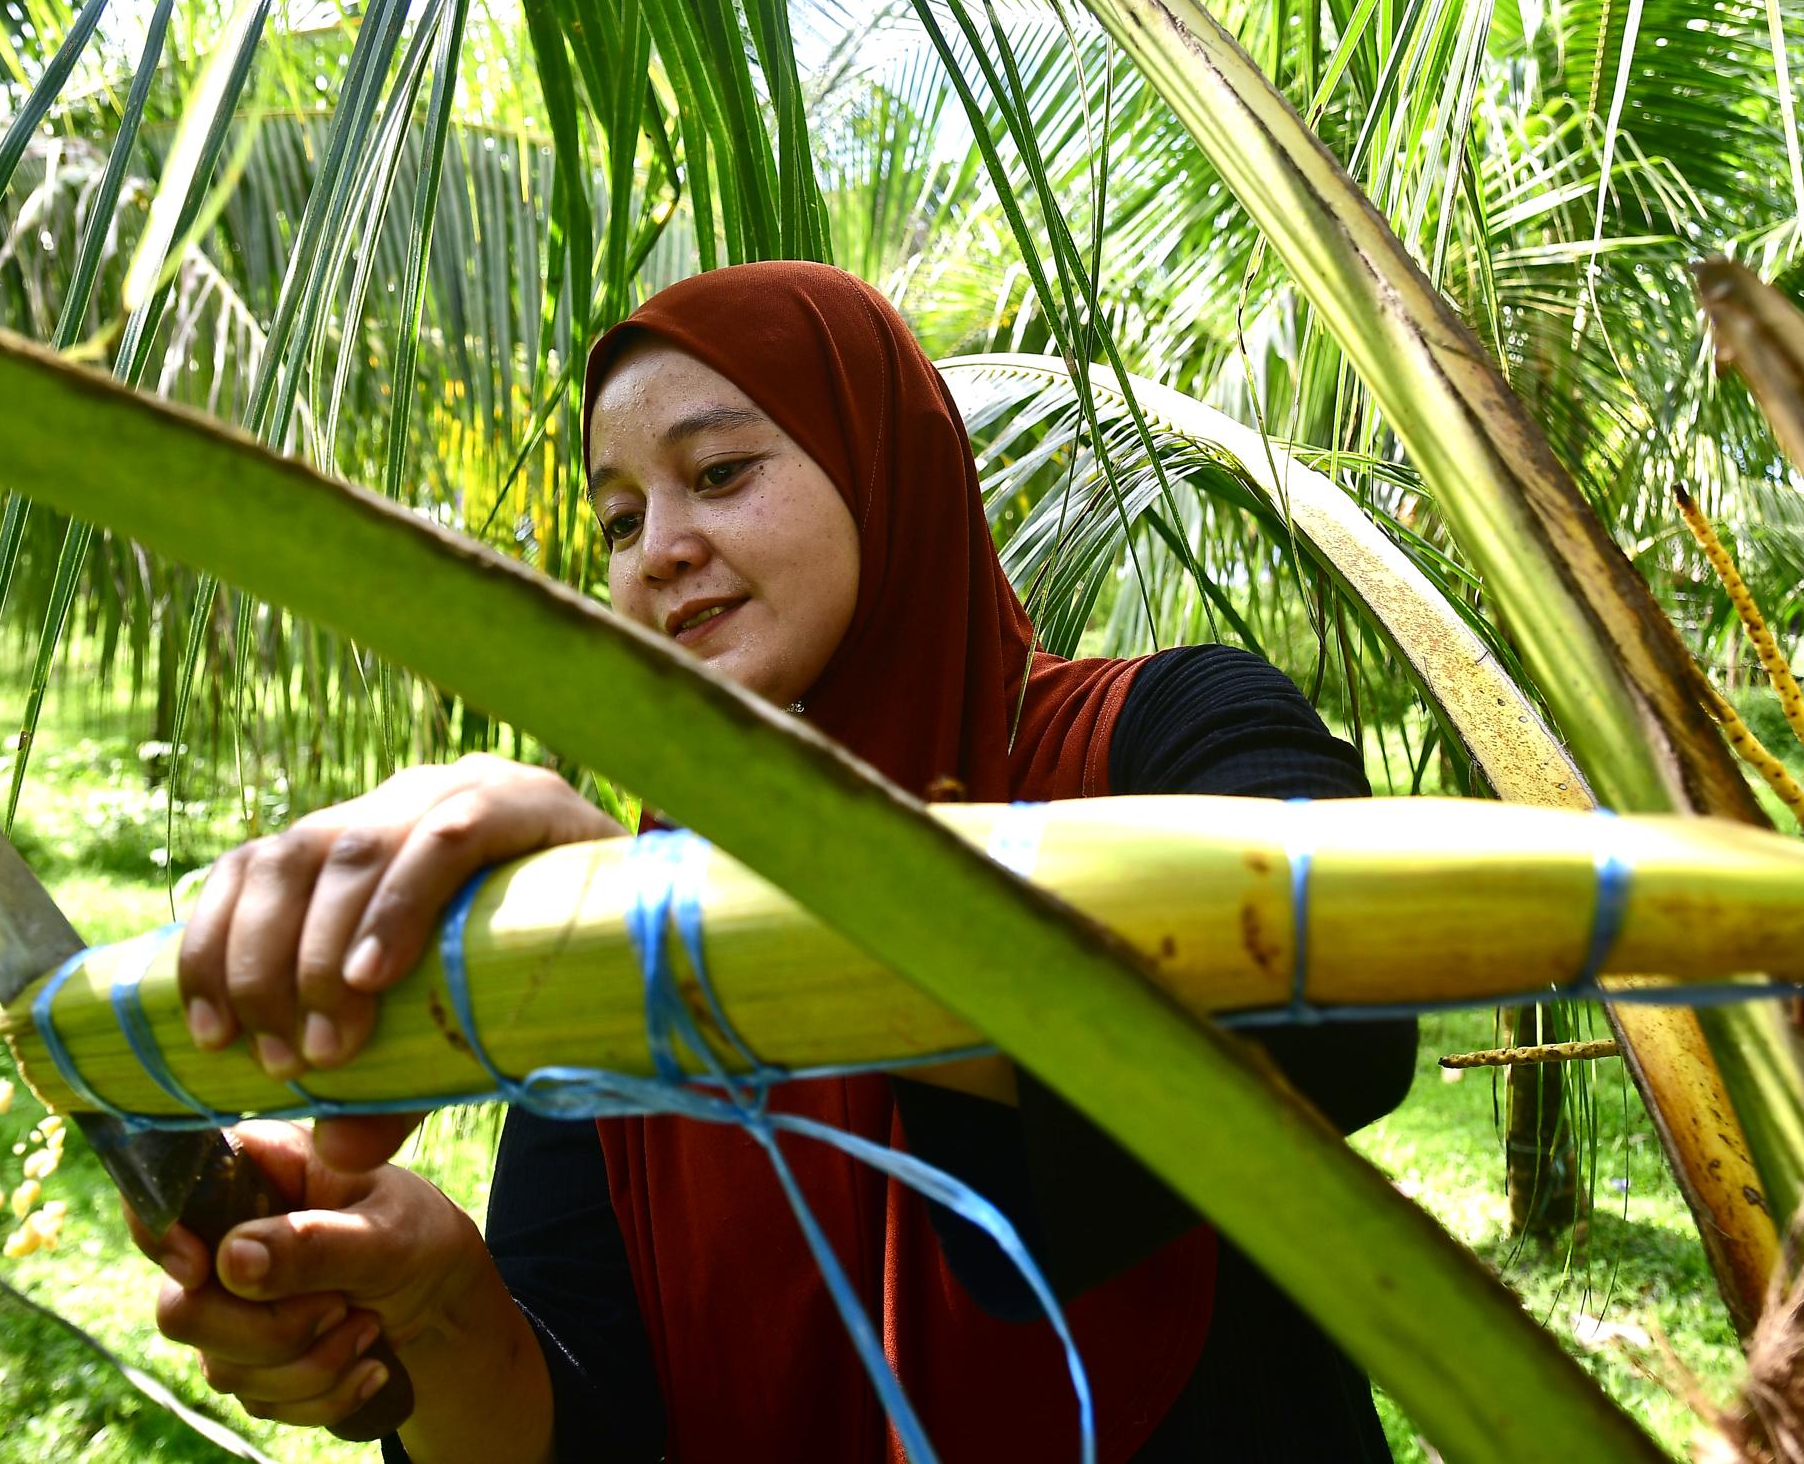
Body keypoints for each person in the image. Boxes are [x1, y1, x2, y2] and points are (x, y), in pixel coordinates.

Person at [129, 262, 1418, 1462]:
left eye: (724, 471)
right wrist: (438, 1305)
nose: (660, 550)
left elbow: (1340, 1012)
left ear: (884, 463)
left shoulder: (1164, 729)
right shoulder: (614, 924)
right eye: (621, 519)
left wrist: (673, 940)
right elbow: (586, 1423)